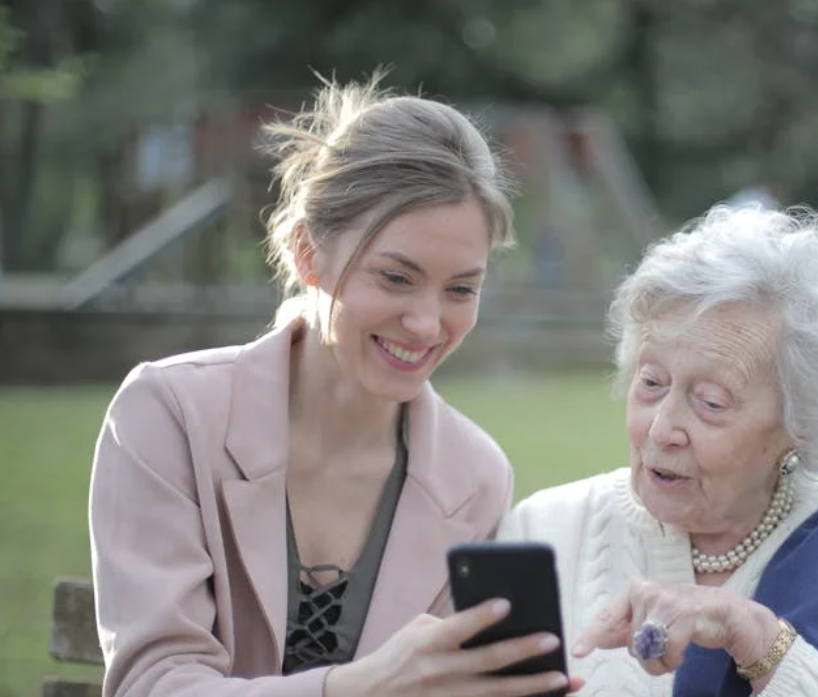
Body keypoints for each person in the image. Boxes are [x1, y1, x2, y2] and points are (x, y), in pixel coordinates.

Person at [88, 72, 573, 697]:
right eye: (396, 278)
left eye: (460, 289)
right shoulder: (168, 414)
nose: (427, 323)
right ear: (306, 253)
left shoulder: (475, 476)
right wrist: (359, 686)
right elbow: (153, 685)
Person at [499, 204, 818, 696]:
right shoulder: (544, 532)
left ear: (800, 425)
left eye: (711, 402)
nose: (661, 430)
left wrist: (758, 640)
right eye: (651, 382)